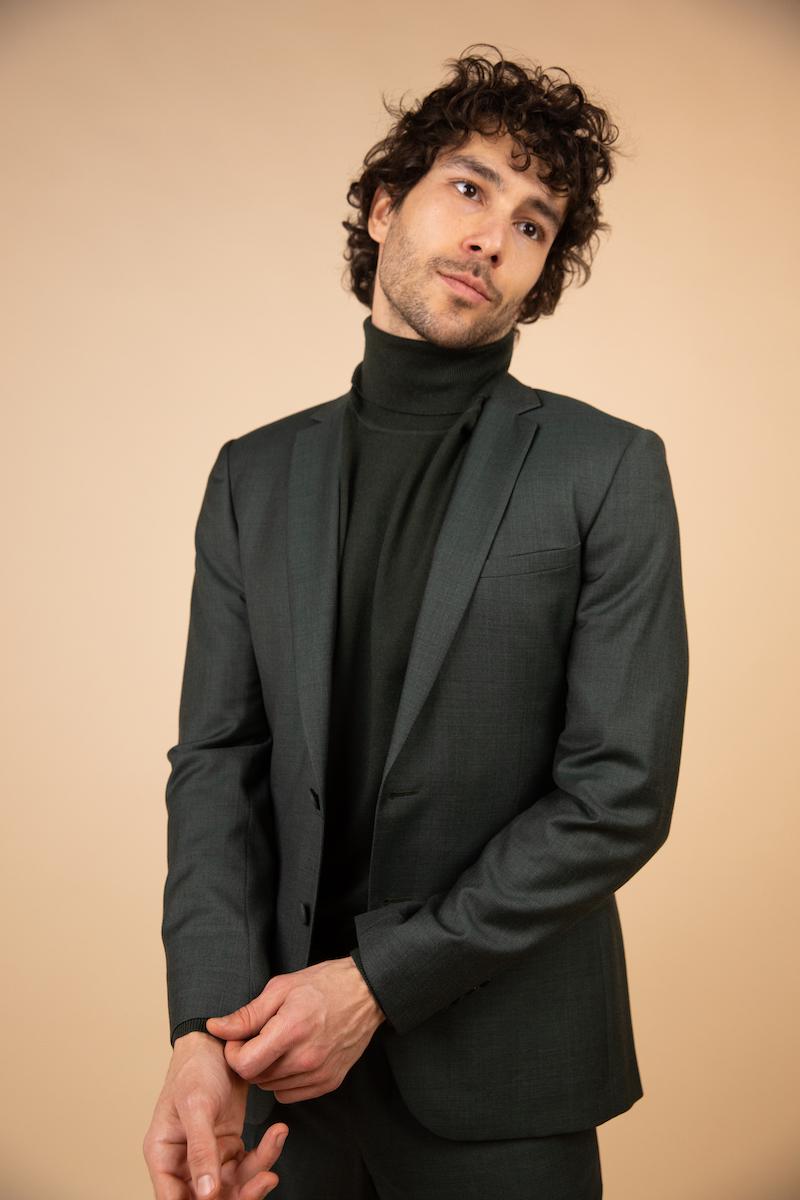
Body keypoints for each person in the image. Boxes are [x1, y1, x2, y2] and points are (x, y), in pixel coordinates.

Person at [143, 44, 689, 1200]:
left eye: (532, 224)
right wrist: (201, 1031)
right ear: (386, 205)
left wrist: (375, 983)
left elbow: (616, 794)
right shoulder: (251, 476)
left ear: (541, 274)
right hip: (275, 1081)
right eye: (468, 188)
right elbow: (217, 764)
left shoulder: (606, 469)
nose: (492, 236)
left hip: (505, 1094)